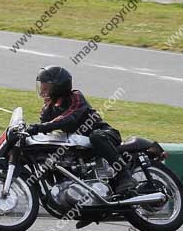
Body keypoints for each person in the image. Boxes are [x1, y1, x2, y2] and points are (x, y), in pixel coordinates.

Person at [26, 66, 138, 197]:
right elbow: (44, 129)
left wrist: (41, 127)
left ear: (58, 87)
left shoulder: (76, 97)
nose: (42, 92)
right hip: (82, 145)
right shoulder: (49, 108)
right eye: (42, 87)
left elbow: (68, 118)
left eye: (46, 88)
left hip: (105, 134)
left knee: (95, 136)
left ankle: (125, 176)